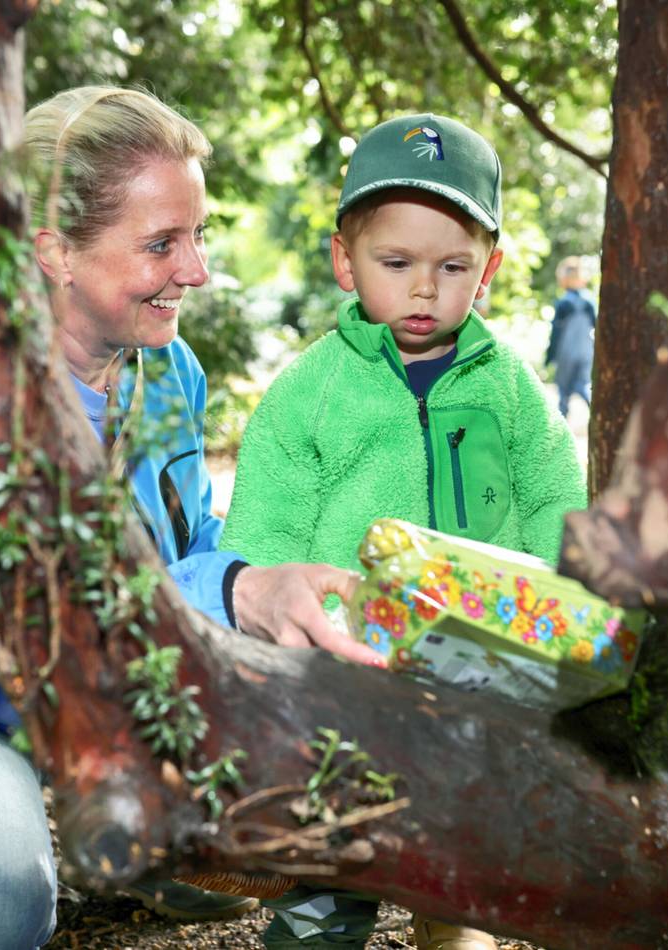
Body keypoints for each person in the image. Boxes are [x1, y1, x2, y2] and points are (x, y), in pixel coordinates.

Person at [0, 85, 385, 950]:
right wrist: (237, 592)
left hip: (109, 701)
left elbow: (188, 547)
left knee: (331, 786)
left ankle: (150, 849)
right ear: (54, 252)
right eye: (161, 243)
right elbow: (9, 620)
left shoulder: (169, 370)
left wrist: (273, 617)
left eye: (198, 235)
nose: (196, 271)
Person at [221, 114, 587, 950]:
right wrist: (280, 661)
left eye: (452, 267)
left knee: (461, 853)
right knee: (330, 855)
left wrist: (561, 619)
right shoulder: (309, 393)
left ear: (488, 271)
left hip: (480, 677)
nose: (425, 289)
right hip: (344, 682)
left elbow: (556, 504)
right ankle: (318, 922)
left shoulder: (510, 390)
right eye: (396, 264)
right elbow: (266, 535)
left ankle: (452, 925)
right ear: (344, 260)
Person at [544, 256, 597, 417]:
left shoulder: (564, 303)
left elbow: (556, 334)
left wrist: (549, 358)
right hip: (586, 352)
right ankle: (597, 414)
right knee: (584, 385)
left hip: (566, 353)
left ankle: (562, 425)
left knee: (563, 391)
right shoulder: (589, 302)